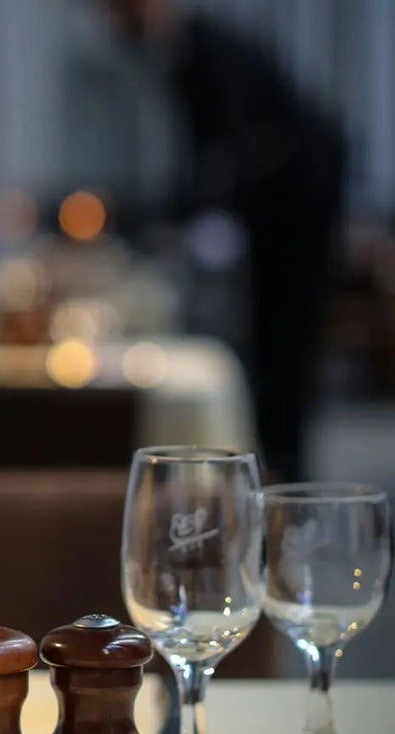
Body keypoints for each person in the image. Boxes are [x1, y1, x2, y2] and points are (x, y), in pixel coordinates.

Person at [104, 0, 346, 481]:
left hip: (297, 208)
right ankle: (269, 465)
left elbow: (227, 149)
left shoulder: (207, 50)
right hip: (269, 210)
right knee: (265, 340)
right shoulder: (181, 53)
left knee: (286, 344)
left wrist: (194, 211)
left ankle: (281, 477)